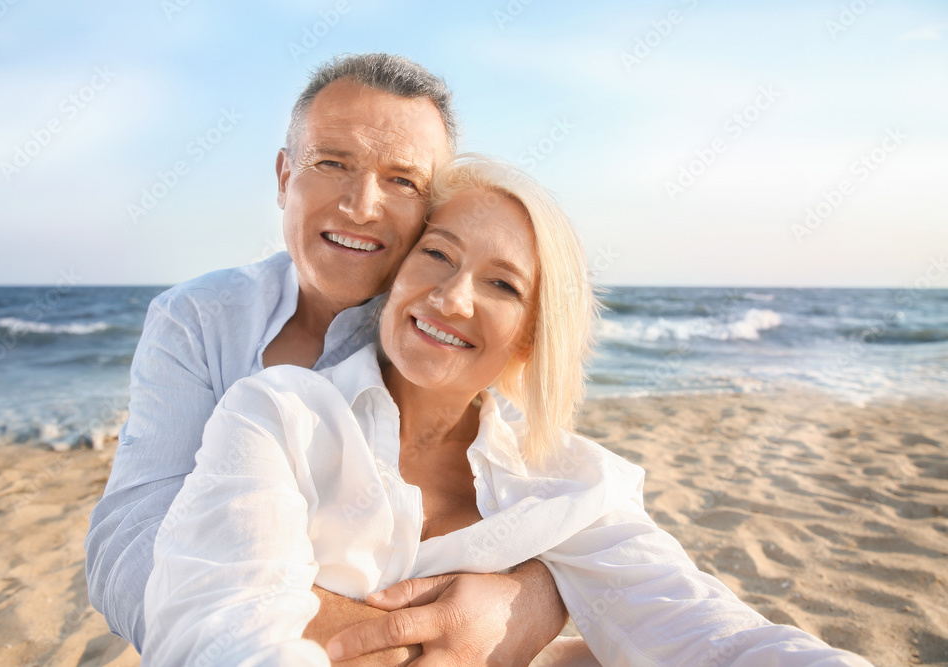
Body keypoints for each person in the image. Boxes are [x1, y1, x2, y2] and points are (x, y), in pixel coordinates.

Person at [144, 155, 873, 666]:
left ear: (530, 338)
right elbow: (222, 619)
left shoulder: (569, 485)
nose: (452, 297)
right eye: (437, 255)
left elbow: (710, 635)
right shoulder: (278, 414)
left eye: (502, 285)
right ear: (396, 277)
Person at [85, 54, 568, 663]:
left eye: (403, 180)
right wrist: (385, 638)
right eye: (332, 163)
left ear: (434, 207)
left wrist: (537, 595)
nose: (363, 205)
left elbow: (550, 502)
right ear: (285, 176)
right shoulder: (197, 320)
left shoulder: (449, 333)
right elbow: (127, 544)